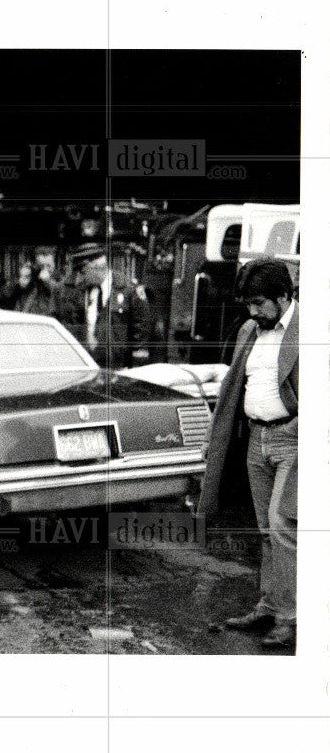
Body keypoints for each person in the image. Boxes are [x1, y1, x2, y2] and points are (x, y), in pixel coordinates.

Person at [199, 259, 298, 648]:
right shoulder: (250, 329)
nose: (253, 311)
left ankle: (291, 616)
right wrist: (215, 435)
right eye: (248, 304)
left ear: (284, 296)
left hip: (293, 439)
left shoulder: (310, 328)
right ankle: (270, 604)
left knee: (284, 527)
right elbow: (231, 387)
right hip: (256, 438)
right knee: (265, 529)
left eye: (259, 303)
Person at [77, 251, 150, 368]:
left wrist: (126, 354)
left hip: (117, 363)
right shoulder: (83, 290)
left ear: (96, 269)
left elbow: (141, 325)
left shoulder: (128, 289)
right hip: (88, 362)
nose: (81, 277)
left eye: (83, 272)